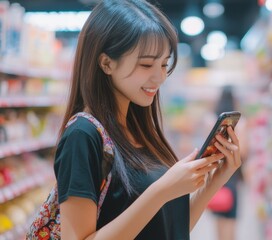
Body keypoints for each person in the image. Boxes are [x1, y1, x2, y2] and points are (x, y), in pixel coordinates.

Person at [54, 0, 242, 239]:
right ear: (106, 63)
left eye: (164, 64)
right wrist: (162, 191)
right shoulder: (83, 135)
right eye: (146, 64)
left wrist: (216, 179)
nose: (160, 76)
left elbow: (167, 229)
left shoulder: (140, 129)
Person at [209, 85, 248, 240]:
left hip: (214, 171)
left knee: (219, 217)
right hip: (233, 175)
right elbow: (243, 151)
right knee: (230, 219)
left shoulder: (212, 120)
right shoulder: (242, 123)